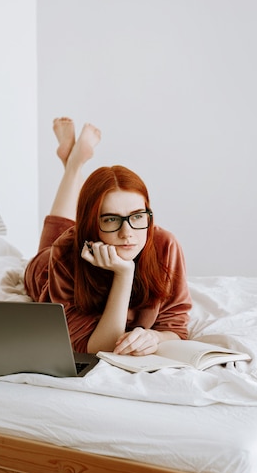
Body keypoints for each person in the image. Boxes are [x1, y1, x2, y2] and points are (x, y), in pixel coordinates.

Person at [24, 117, 191, 356]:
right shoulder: (64, 251)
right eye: (111, 219)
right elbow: (93, 347)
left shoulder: (166, 244)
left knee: (75, 214)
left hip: (83, 237)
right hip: (46, 270)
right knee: (59, 227)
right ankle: (73, 165)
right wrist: (124, 273)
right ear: (91, 224)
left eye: (137, 216)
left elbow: (175, 327)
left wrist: (154, 336)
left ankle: (72, 160)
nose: (127, 234)